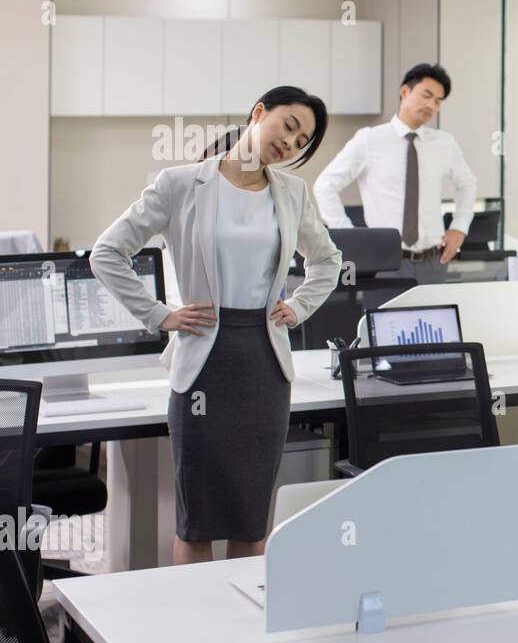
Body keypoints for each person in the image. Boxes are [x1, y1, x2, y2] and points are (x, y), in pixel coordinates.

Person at [91, 86, 341, 564]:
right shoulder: (180, 183)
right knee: (198, 520)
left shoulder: (292, 192)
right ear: (259, 113)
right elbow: (107, 253)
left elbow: (327, 261)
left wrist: (301, 305)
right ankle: (195, 630)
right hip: (203, 359)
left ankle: (241, 630)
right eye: (288, 127)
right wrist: (160, 314)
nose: (290, 144)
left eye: (302, 141)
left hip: (264, 366)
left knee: (251, 518)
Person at [313, 62, 477, 283]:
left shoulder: (444, 143)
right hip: (385, 261)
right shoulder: (369, 139)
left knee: (436, 318)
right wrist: (351, 236)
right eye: (426, 95)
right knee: (384, 319)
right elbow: (324, 185)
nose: (431, 105)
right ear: (405, 91)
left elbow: (467, 184)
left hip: (434, 262)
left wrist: (459, 227)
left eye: (438, 101)